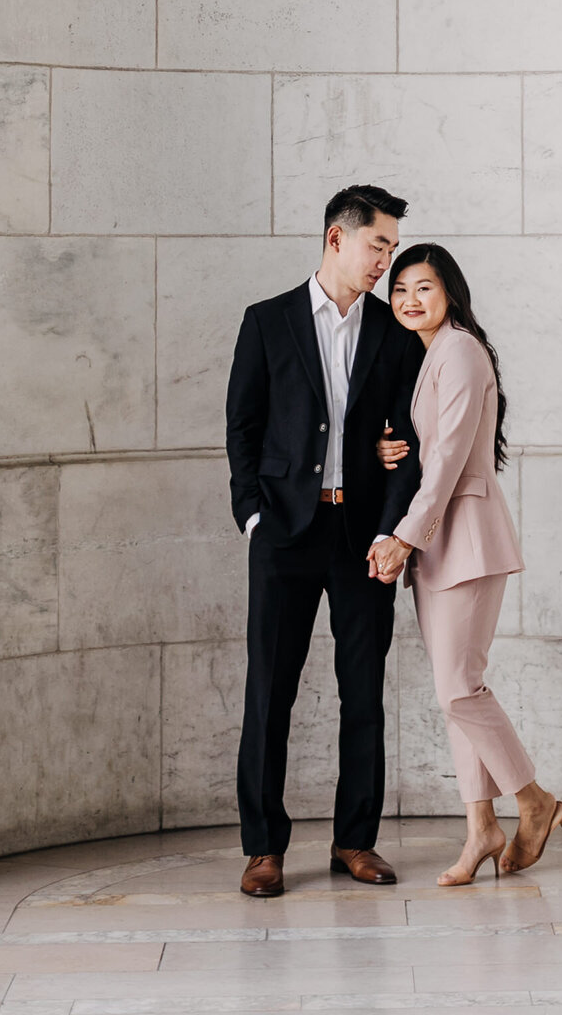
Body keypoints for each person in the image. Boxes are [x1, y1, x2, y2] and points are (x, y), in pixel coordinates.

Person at [225, 184, 425, 899]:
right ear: (337, 239)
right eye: (379, 245)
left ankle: (355, 840)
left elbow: (408, 440)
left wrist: (392, 528)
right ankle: (263, 848)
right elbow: (242, 427)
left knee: (363, 693)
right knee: (268, 692)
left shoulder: (396, 336)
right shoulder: (268, 321)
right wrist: (252, 513)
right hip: (283, 532)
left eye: (393, 249)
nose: (387, 262)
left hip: (362, 536)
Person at [370, 243, 562, 887]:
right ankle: (481, 826)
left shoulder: (458, 350)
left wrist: (402, 537)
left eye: (423, 287)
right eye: (399, 290)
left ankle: (532, 800)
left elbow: (450, 457)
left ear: (450, 291)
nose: (408, 300)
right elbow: (432, 448)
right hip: (442, 542)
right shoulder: (435, 356)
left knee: (460, 688)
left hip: (466, 537)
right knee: (454, 693)